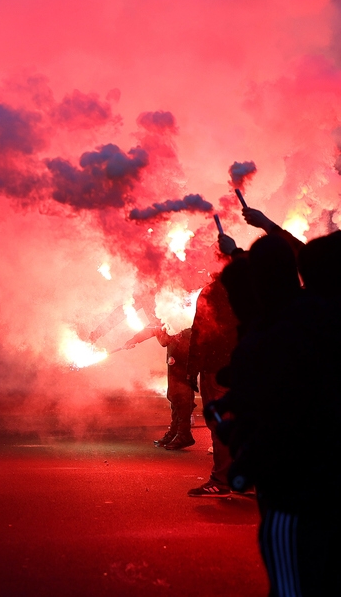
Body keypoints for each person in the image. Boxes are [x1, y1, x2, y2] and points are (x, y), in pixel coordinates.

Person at [211, 235, 341, 594]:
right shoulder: (314, 319)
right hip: (319, 488)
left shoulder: (284, 335)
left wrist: (244, 455)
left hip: (296, 494)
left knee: (291, 586)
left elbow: (281, 415)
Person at [184, 272, 238, 497]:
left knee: (221, 423)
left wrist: (191, 370)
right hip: (247, 365)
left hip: (217, 367)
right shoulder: (253, 286)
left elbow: (200, 332)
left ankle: (221, 481)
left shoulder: (212, 291)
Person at [124, 324, 195, 450]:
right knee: (174, 394)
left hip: (185, 353)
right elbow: (154, 328)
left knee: (182, 394)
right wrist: (134, 340)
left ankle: (184, 433)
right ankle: (175, 432)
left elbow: (165, 337)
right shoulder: (163, 309)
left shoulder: (179, 311)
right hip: (175, 353)